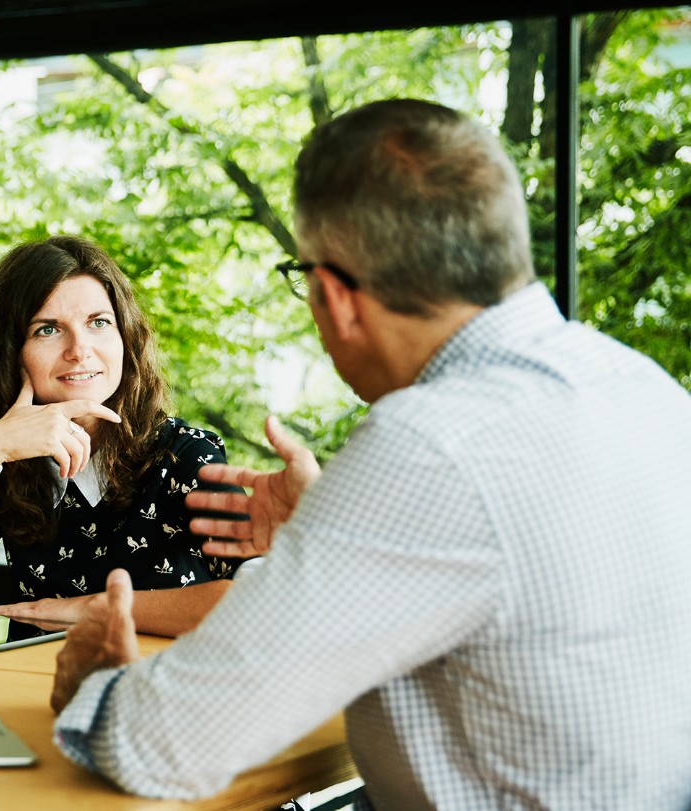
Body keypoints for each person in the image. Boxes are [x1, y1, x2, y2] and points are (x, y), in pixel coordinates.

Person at [50, 99, 691, 808]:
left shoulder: (433, 444)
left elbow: (162, 743)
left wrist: (90, 685)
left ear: (334, 296)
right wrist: (331, 525)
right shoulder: (647, 390)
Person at [0, 234, 248, 638]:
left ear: (125, 336)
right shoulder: (3, 458)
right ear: (11, 353)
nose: (79, 349)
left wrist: (96, 608)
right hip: (33, 690)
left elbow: (258, 603)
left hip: (158, 691)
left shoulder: (188, 455)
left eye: (99, 323)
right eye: (48, 329)